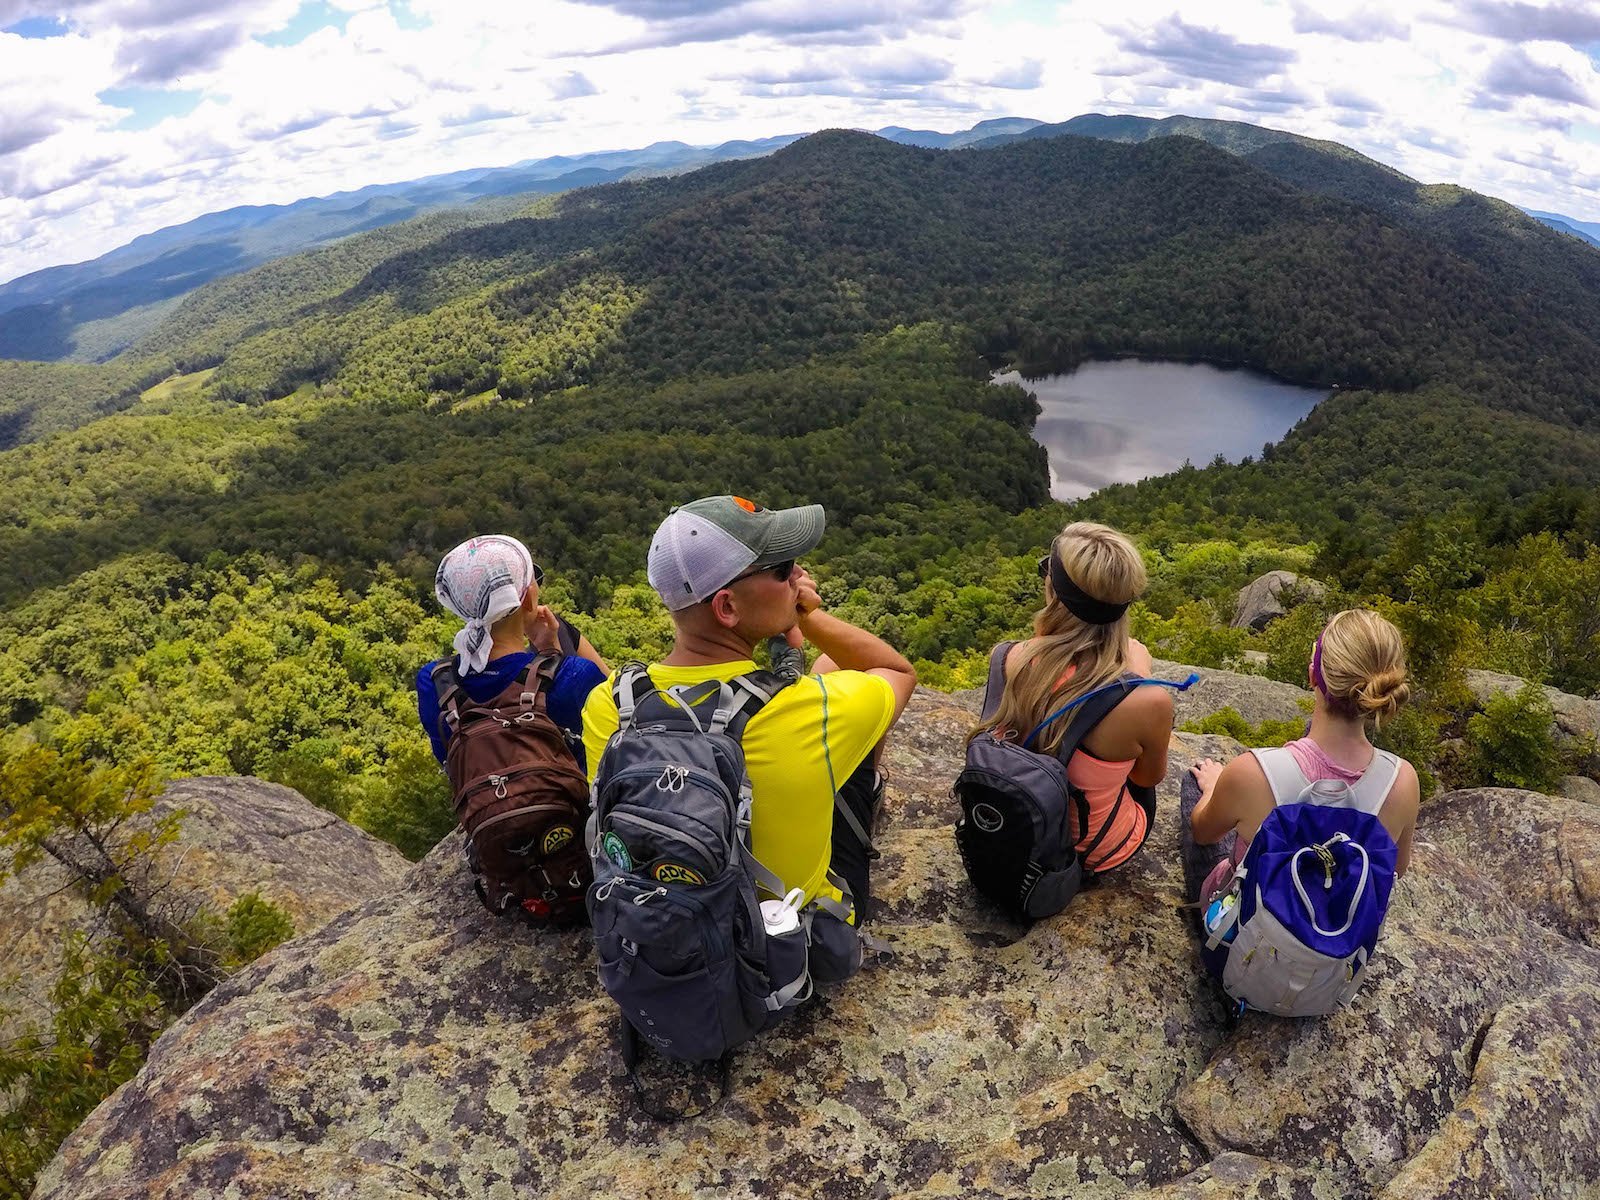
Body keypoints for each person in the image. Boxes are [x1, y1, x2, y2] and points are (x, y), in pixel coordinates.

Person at [582, 495, 917, 931]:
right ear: (727, 608)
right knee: (834, 671)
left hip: (658, 933)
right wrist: (810, 620)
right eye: (783, 570)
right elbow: (895, 670)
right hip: (788, 952)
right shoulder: (811, 708)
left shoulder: (608, 703)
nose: (798, 575)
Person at [1182, 608, 1421, 915]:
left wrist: (1216, 788)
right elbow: (1397, 869)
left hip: (1246, 948)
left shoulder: (1251, 772)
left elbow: (1204, 832)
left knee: (1195, 785)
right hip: (1335, 953)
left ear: (1313, 675)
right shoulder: (1402, 780)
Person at [969, 521, 1174, 874]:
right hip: (1089, 854)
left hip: (1013, 827)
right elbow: (1146, 778)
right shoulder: (1147, 700)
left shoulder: (1006, 657)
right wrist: (1137, 679)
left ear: (1054, 592)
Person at [417, 535, 609, 769]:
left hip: (481, 805)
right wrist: (552, 656)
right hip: (573, 806)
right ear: (527, 598)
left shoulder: (434, 682)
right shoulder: (576, 676)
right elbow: (616, 736)